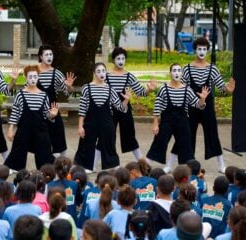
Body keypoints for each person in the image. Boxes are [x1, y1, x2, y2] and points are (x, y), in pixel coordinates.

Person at [169, 37, 235, 174]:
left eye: (204, 49)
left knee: (213, 134)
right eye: (199, 49)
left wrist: (229, 90)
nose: (202, 51)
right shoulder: (187, 69)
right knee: (184, 134)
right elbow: (182, 87)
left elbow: (222, 88)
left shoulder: (213, 69)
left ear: (207, 51)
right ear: (195, 50)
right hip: (191, 108)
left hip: (207, 109)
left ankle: (221, 165)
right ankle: (170, 164)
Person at [146, 63, 209, 169]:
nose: (177, 73)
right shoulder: (163, 88)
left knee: (185, 146)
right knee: (159, 143)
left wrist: (203, 99)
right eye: (174, 70)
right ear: (170, 73)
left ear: (182, 73)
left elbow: (199, 105)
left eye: (179, 70)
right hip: (167, 121)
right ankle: (144, 169)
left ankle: (185, 171)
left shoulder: (187, 89)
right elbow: (157, 107)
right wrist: (155, 124)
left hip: (182, 122)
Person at [100, 47, 157, 162]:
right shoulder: (105, 75)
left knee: (129, 134)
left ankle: (141, 162)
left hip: (125, 108)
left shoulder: (129, 76)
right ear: (113, 60)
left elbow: (140, 92)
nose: (121, 61)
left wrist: (149, 90)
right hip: (109, 109)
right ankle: (93, 163)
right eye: (118, 58)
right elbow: (98, 90)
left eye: (123, 58)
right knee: (105, 135)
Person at [75, 62, 130, 172]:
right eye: (99, 71)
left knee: (109, 144)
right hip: (90, 123)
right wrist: (80, 126)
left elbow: (120, 107)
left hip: (107, 122)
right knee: (86, 144)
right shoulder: (87, 88)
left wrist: (126, 100)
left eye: (103, 71)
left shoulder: (110, 89)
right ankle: (87, 166)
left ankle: (112, 166)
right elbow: (82, 110)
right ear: (94, 73)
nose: (102, 73)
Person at [4, 65, 58, 171]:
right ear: (25, 78)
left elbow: (46, 114)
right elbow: (15, 113)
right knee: (18, 150)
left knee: (45, 154)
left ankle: (46, 170)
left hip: (40, 130)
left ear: (38, 77)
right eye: (30, 77)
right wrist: (10, 129)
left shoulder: (44, 95)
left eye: (35, 77)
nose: (33, 79)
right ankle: (14, 169)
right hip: (23, 129)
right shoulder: (20, 95)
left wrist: (52, 114)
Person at [37, 44, 76, 156]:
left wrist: (69, 86)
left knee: (59, 137)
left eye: (51, 54)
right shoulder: (34, 71)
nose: (49, 57)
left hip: (53, 108)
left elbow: (67, 92)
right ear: (40, 56)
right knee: (41, 139)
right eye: (46, 54)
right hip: (38, 111)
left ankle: (64, 163)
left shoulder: (57, 73)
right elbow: (27, 89)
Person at [47, 157, 81, 221]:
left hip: (54, 217)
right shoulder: (74, 184)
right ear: (69, 170)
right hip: (71, 218)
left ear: (55, 169)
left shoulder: (49, 185)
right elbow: (79, 201)